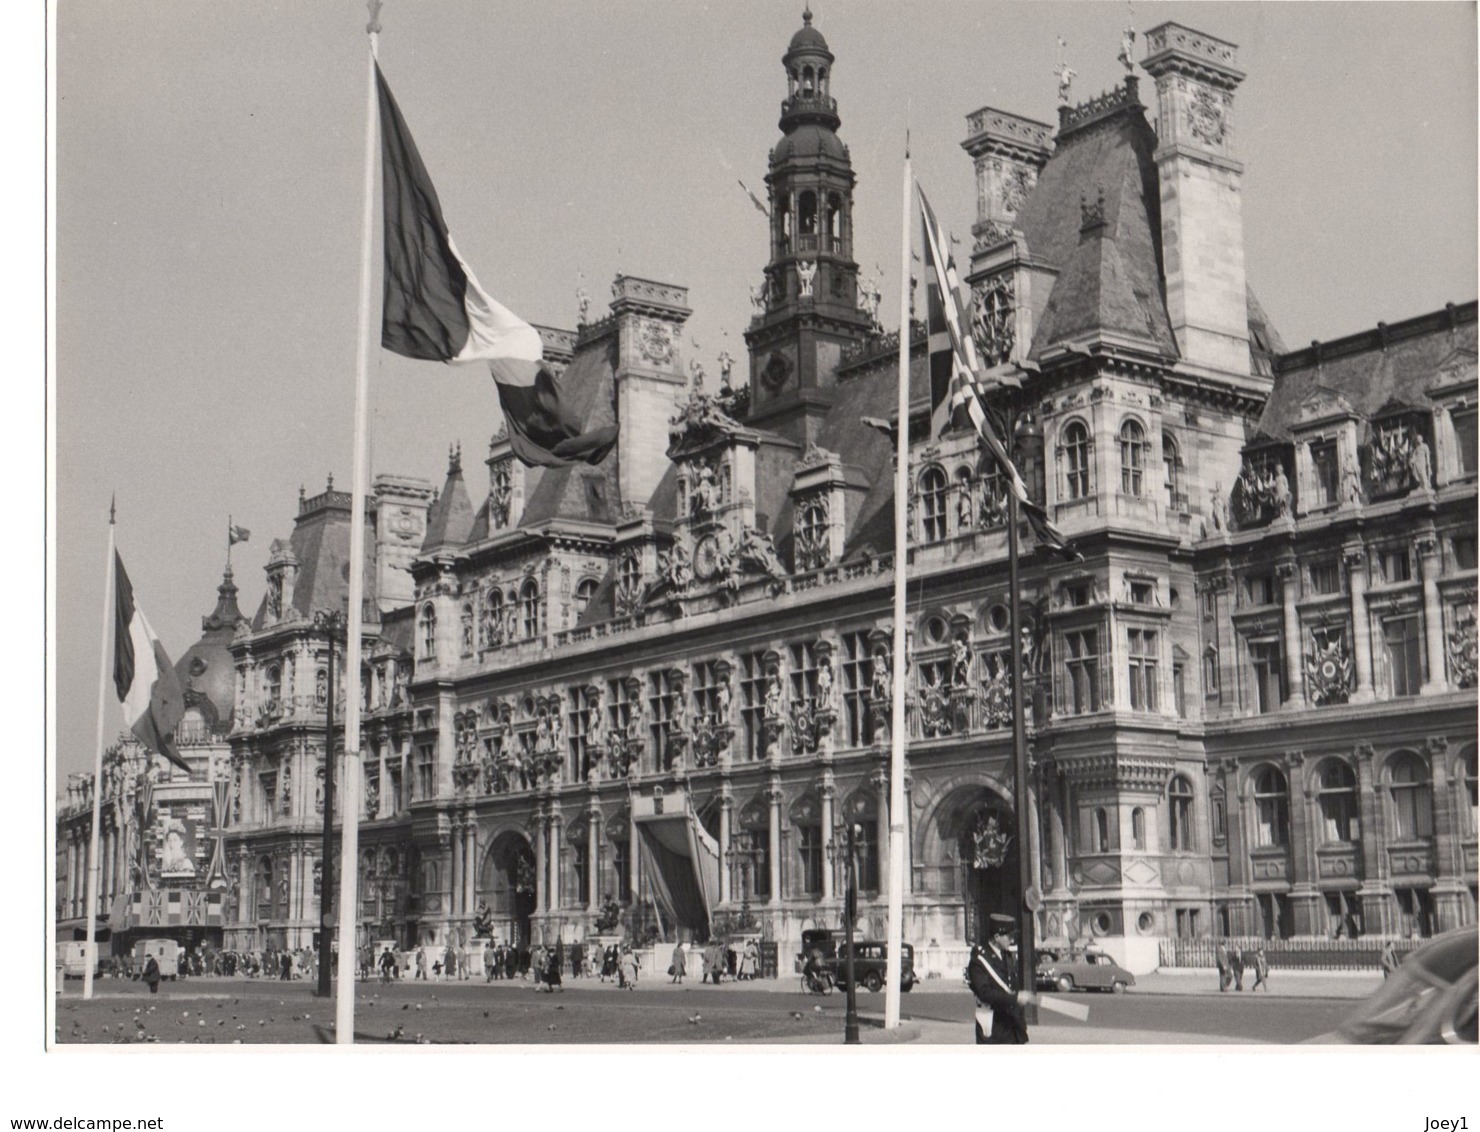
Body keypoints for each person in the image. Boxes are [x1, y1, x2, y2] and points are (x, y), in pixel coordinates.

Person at [967, 914, 1031, 1044]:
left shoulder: (1006, 955)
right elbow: (985, 993)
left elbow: (1012, 985)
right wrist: (1015, 998)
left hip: (1012, 1024)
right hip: (993, 1024)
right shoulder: (979, 960)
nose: (1012, 940)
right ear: (996, 937)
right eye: (1008, 936)